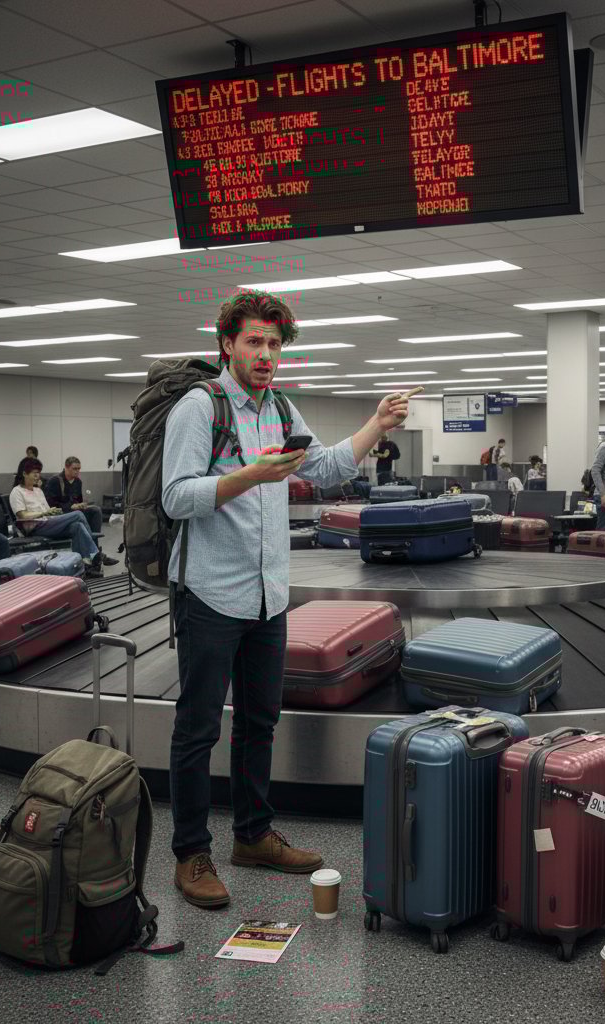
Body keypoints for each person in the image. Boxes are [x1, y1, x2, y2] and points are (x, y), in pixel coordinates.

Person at [162, 290, 412, 910]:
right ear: (227, 345)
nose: (266, 354)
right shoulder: (201, 407)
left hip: (269, 597)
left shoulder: (278, 407)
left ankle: (252, 835)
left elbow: (323, 468)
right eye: (254, 342)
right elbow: (176, 495)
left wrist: (375, 425)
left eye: (274, 344)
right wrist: (251, 475)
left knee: (259, 723)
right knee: (197, 729)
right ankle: (192, 853)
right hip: (210, 594)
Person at [9, 457, 104, 577]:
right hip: (34, 527)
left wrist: (53, 512)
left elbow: (47, 510)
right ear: (24, 473)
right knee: (78, 515)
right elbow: (22, 515)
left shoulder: (38, 491)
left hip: (47, 522)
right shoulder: (17, 492)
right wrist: (43, 514)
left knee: (77, 526)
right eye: (34, 473)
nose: (38, 476)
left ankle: (84, 567)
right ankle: (95, 554)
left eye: (39, 473)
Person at [43, 456, 118, 565]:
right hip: (61, 515)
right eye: (75, 469)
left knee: (95, 510)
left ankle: (94, 548)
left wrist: (81, 505)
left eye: (79, 468)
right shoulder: (55, 481)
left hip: (76, 512)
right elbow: (50, 505)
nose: (77, 471)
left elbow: (78, 501)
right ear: (66, 468)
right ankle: (95, 553)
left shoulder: (78, 482)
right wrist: (70, 507)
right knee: (78, 516)